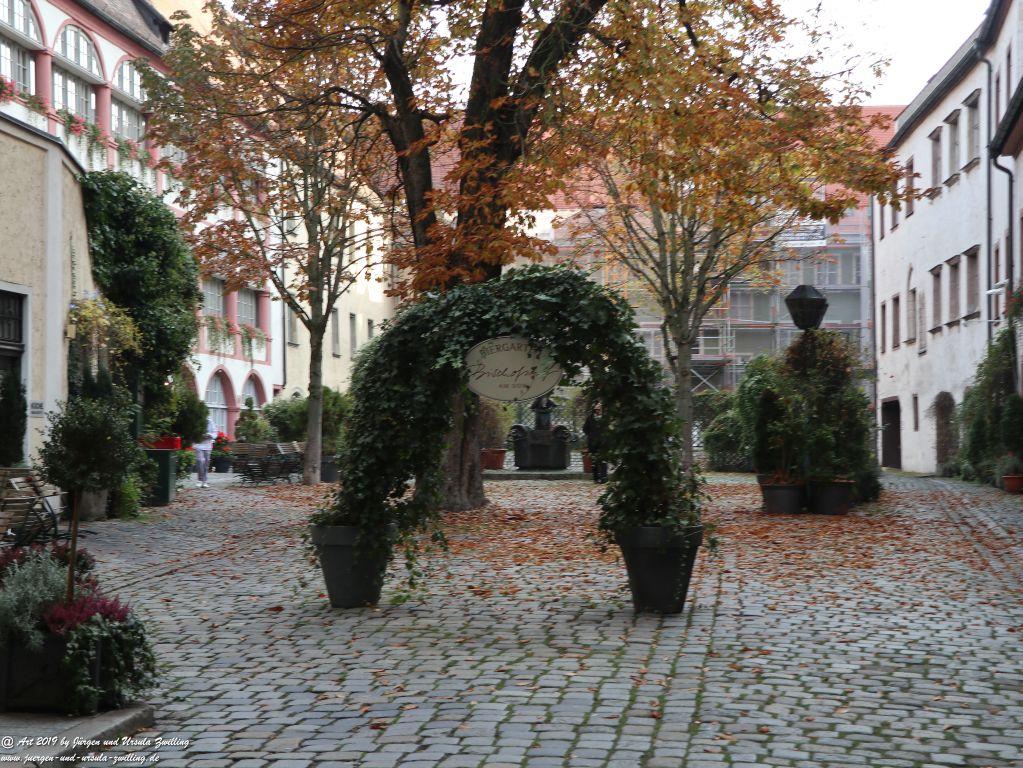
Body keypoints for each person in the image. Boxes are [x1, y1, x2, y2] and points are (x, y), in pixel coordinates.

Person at [583, 402, 608, 484]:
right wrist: (591, 435)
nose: (598, 411)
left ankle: (604, 477)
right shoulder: (590, 418)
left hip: (603, 442)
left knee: (604, 460)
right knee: (594, 460)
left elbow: (608, 428)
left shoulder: (605, 418)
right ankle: (596, 478)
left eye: (599, 409)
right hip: (592, 442)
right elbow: (585, 428)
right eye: (596, 409)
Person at [194, 416, 217, 489]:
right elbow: (193, 432)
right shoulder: (196, 421)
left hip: (207, 445)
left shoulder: (210, 421)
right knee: (200, 461)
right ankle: (199, 480)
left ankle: (205, 481)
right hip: (198, 444)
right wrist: (199, 435)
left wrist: (210, 435)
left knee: (206, 464)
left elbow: (215, 433)